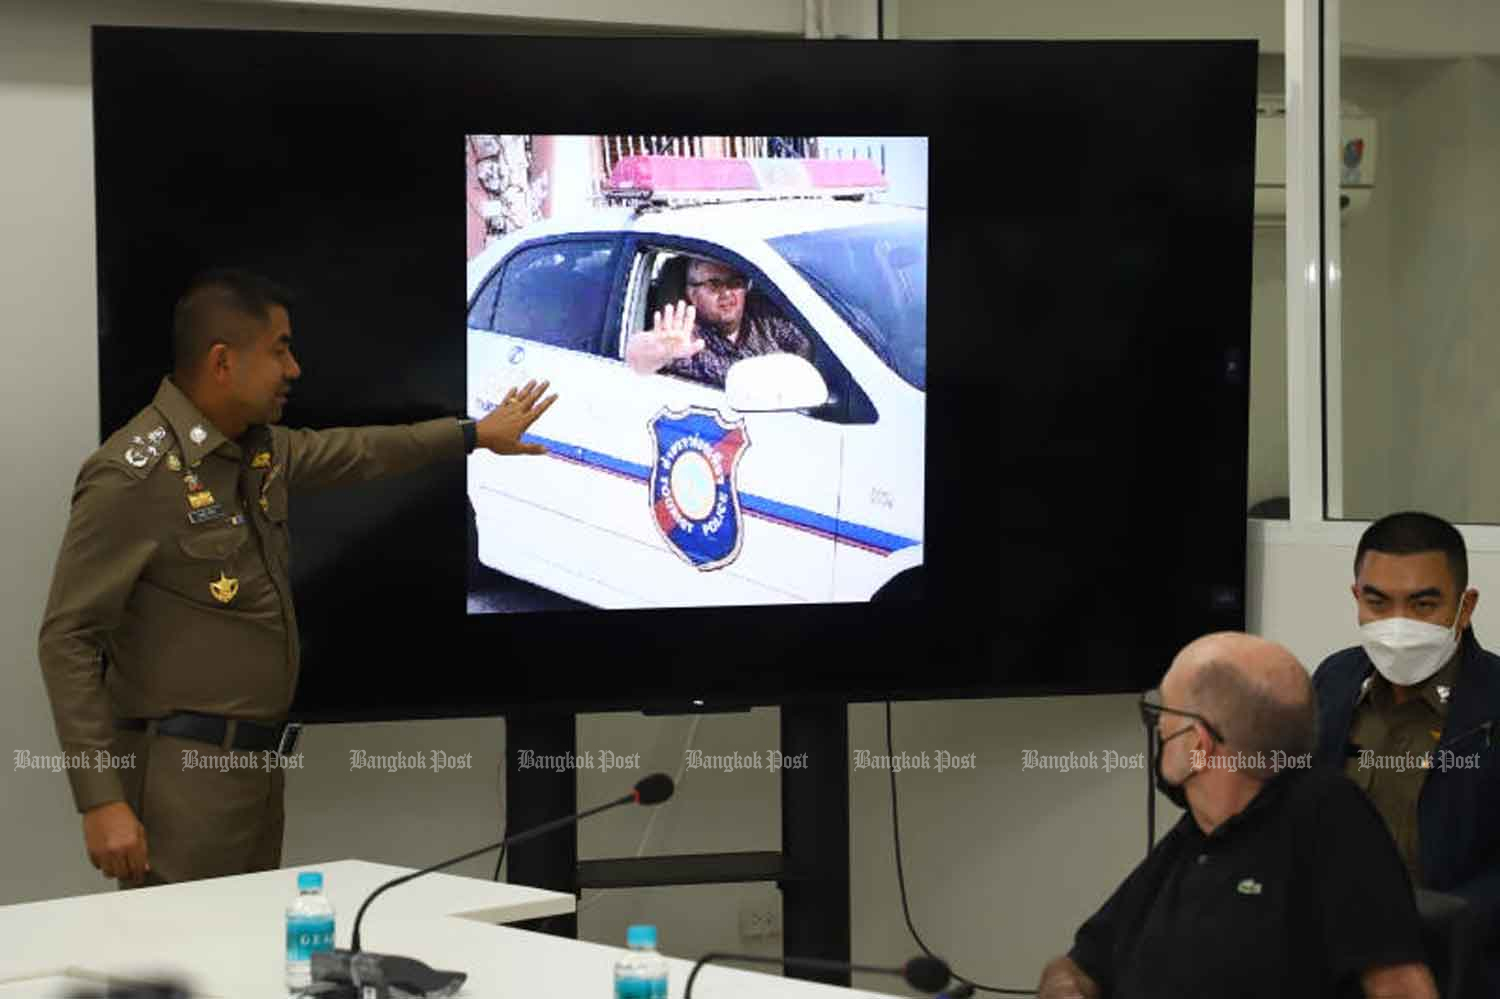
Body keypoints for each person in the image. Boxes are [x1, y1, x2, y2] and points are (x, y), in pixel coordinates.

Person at [37, 268, 557, 887]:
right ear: (223, 361)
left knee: (249, 960)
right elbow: (66, 639)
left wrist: (475, 435)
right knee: (189, 962)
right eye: (279, 349)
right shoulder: (132, 476)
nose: (294, 369)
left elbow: (365, 450)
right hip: (183, 776)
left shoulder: (256, 451)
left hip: (255, 770)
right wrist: (100, 799)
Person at [1038, 632, 1436, 999]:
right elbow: (1076, 964)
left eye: (1163, 711)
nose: (1158, 726)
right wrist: (1067, 989)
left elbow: (1403, 989)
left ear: (1198, 742)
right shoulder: (1195, 834)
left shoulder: (1325, 817)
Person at [1312, 511, 1500, 990]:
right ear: (1356, 598)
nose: (1398, 625)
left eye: (1422, 605)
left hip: (1457, 969)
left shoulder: (1491, 702)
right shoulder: (1333, 683)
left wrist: (1425, 930)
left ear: (1465, 606)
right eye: (1378, 603)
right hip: (1332, 961)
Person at [624, 256, 813, 388]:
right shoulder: (684, 341)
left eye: (735, 283)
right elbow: (636, 358)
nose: (726, 293)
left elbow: (813, 347)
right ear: (692, 294)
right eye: (714, 285)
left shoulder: (766, 321)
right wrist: (659, 352)